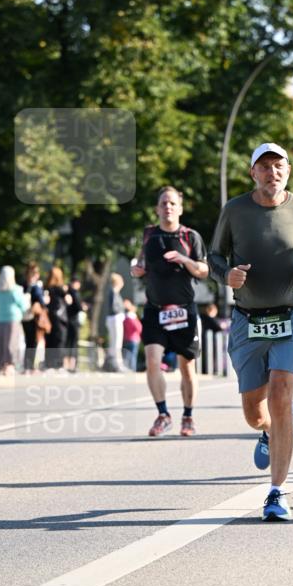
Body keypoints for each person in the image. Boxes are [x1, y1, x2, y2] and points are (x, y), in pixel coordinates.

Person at [208, 142, 293, 521]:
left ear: (287, 172)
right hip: (248, 319)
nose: (272, 173)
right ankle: (267, 429)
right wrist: (224, 275)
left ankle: (277, 492)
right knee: (254, 412)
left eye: (278, 166)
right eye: (264, 167)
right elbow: (214, 256)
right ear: (253, 173)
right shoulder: (235, 210)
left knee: (281, 390)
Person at [131, 186, 209, 436]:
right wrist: (137, 269)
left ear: (180, 208)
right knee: (153, 361)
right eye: (164, 203)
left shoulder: (190, 237)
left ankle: (188, 416)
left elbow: (204, 270)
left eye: (173, 203)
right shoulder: (149, 235)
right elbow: (141, 262)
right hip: (155, 310)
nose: (168, 207)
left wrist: (184, 260)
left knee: (187, 368)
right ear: (157, 208)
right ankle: (163, 414)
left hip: (184, 311)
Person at [0, 265, 26, 374]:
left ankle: (1, 365)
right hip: (13, 319)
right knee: (12, 343)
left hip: (0, 319)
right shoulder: (16, 290)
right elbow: (24, 305)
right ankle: (10, 365)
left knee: (1, 343)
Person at [44, 266, 70, 370]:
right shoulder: (60, 289)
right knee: (60, 340)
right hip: (60, 318)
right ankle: (58, 364)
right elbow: (69, 301)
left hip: (49, 317)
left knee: (49, 341)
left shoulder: (46, 288)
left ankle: (48, 363)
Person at [21, 262, 45, 373]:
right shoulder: (36, 287)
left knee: (28, 341)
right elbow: (42, 302)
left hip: (24, 316)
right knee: (33, 342)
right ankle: (29, 367)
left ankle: (27, 366)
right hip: (34, 317)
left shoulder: (22, 285)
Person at [105, 272, 125, 372]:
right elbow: (114, 307)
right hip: (115, 318)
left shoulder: (114, 293)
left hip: (113, 318)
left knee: (115, 342)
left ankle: (114, 363)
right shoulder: (113, 292)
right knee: (116, 342)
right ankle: (117, 364)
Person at [65, 277, 84, 372]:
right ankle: (72, 365)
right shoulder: (74, 292)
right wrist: (83, 307)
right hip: (73, 321)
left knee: (67, 343)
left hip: (66, 321)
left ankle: (66, 364)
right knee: (73, 344)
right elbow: (79, 306)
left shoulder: (66, 291)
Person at [122, 299, 142, 371]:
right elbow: (139, 328)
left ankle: (127, 368)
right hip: (134, 339)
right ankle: (132, 369)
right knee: (133, 356)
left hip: (126, 339)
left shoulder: (124, 318)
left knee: (127, 356)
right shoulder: (132, 318)